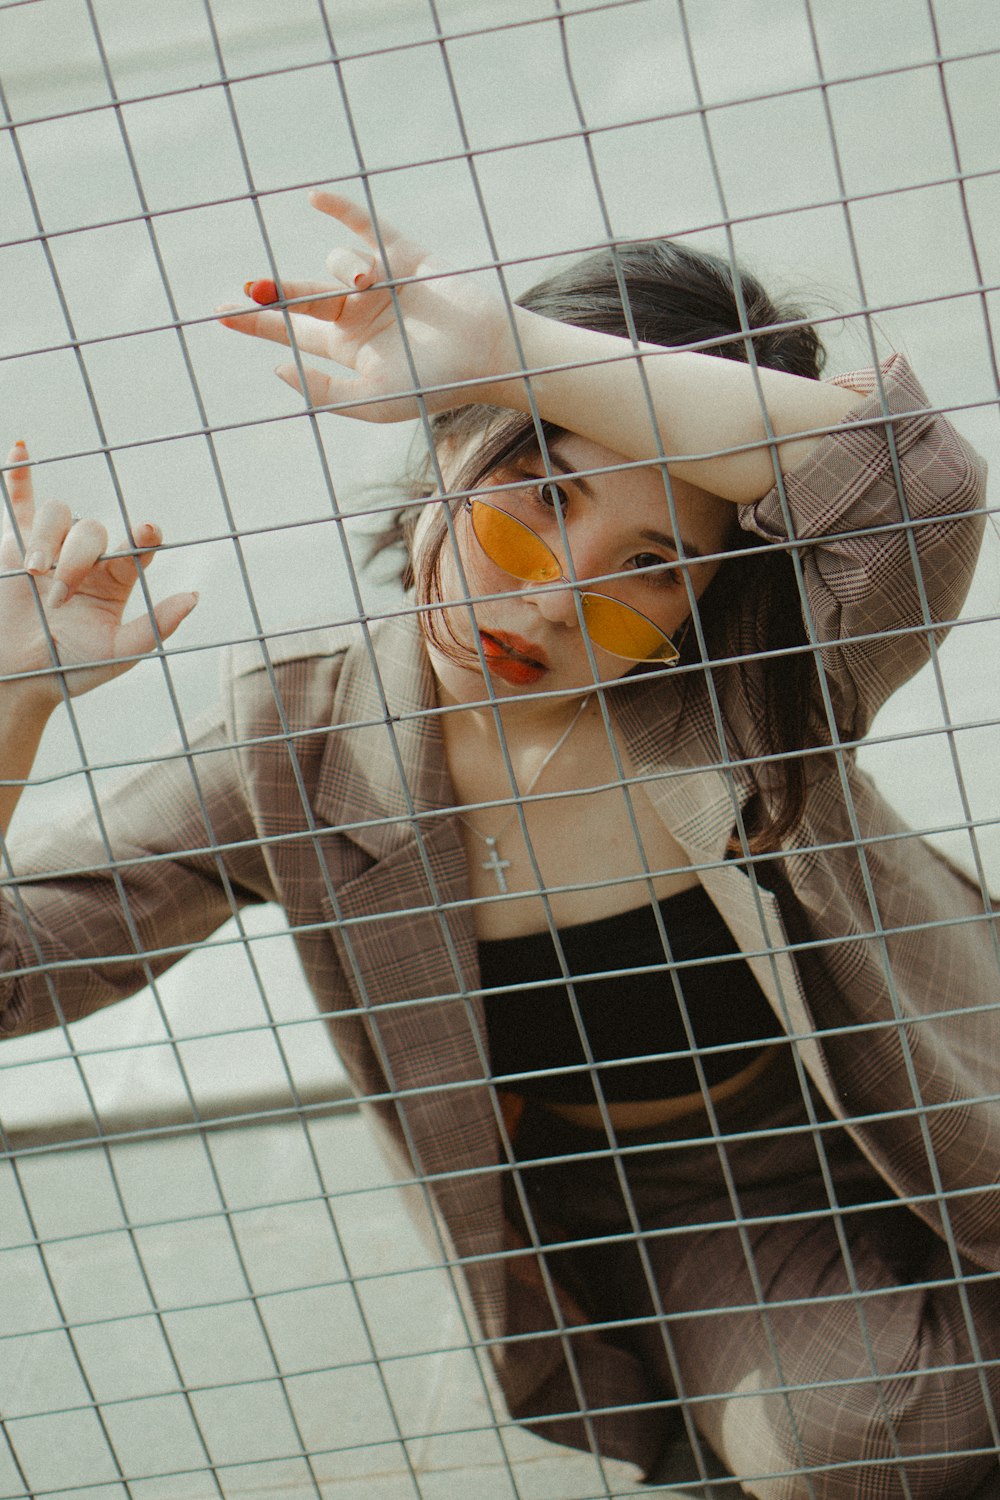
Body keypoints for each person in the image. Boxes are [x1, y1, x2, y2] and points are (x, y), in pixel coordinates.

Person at [2, 190, 998, 1499]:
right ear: (448, 459)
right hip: (694, 1198)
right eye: (531, 504)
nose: (552, 597)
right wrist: (14, 697)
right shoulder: (292, 753)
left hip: (942, 1070)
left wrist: (510, 353)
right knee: (850, 1448)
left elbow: (918, 482)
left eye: (651, 563)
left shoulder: (757, 680)